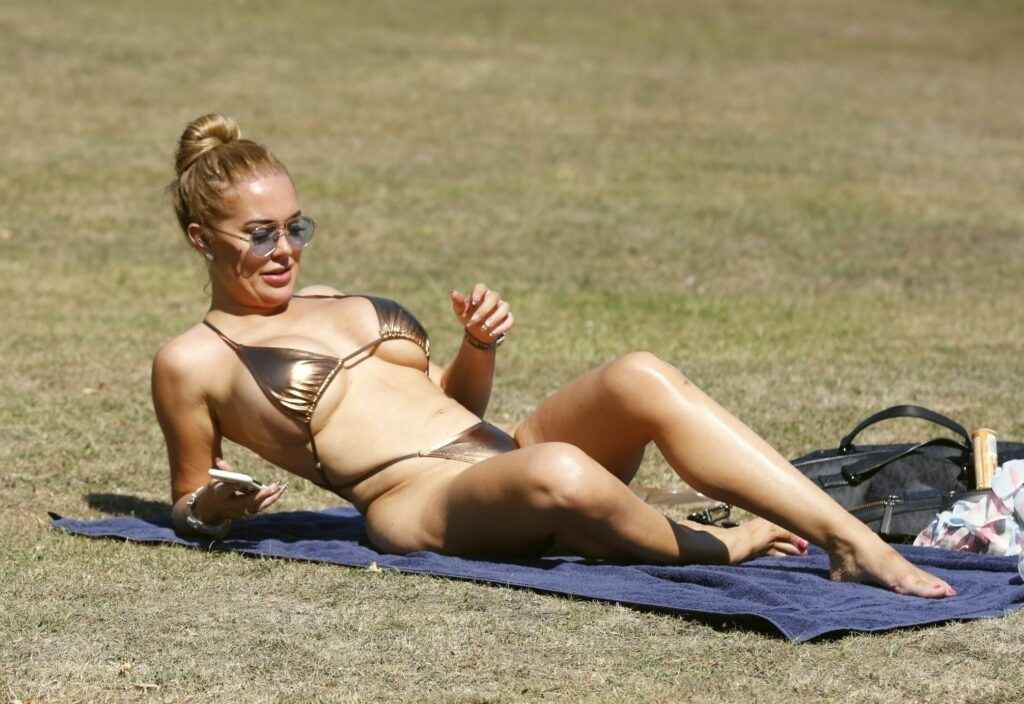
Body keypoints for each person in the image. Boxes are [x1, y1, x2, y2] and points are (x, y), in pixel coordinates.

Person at [153, 113, 956, 598]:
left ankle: (849, 538)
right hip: (418, 502)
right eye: (260, 235)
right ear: (200, 239)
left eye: (295, 227)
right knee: (562, 469)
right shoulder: (193, 360)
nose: (286, 249)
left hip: (502, 455)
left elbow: (454, 405)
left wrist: (477, 346)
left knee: (638, 374)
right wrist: (211, 509)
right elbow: (187, 501)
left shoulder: (335, 298)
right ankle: (724, 541)